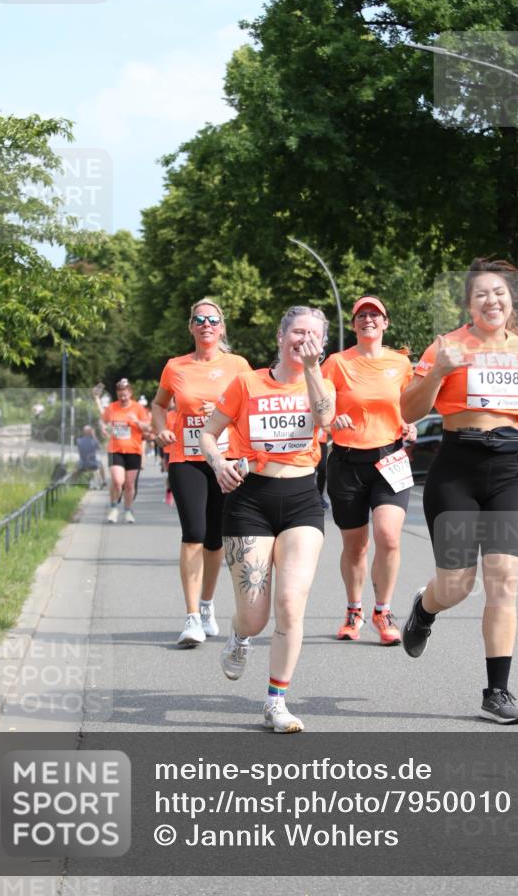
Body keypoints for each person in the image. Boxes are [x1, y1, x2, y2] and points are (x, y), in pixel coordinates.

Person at [400, 258, 518, 725]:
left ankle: (496, 693)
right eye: (481, 294)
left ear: (511, 299)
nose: (491, 300)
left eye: (499, 292)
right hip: (457, 470)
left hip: (507, 472)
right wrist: (437, 371)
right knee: (457, 585)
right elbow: (409, 409)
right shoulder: (447, 346)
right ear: (469, 304)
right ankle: (424, 607)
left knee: (503, 582)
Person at [200, 305, 335, 733]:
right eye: (297, 332)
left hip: (301, 499)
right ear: (280, 337)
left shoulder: (321, 382)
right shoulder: (246, 382)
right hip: (249, 499)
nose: (304, 340)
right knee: (255, 617)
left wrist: (313, 370)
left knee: (291, 605)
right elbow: (207, 433)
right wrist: (219, 462)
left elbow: (326, 418)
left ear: (323, 345)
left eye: (314, 334)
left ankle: (276, 701)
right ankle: (240, 638)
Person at [152, 299, 250, 647]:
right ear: (191, 327)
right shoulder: (175, 367)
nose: (206, 324)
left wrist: (223, 413)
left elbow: (250, 408)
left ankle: (207, 606)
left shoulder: (238, 365)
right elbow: (159, 404)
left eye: (213, 319)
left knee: (215, 538)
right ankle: (192, 616)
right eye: (199, 319)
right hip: (187, 458)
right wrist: (162, 428)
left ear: (221, 327)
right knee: (193, 532)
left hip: (225, 459)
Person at [322, 296, 417, 645]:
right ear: (353, 325)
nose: (368, 320)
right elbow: (318, 403)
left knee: (389, 537)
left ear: (386, 323)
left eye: (374, 315)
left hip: (390, 458)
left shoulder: (401, 364)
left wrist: (410, 425)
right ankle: (353, 609)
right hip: (347, 462)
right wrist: (332, 418)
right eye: (361, 315)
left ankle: (383, 610)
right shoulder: (336, 363)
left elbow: (410, 405)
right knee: (356, 545)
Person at [97, 379, 150, 524]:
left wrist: (136, 422)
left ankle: (128, 510)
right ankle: (114, 507)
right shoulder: (112, 408)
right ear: (117, 394)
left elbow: (148, 428)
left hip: (134, 451)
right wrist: (102, 426)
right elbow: (102, 420)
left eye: (125, 395)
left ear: (130, 393)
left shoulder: (138, 408)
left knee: (129, 484)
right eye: (120, 395)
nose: (123, 398)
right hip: (115, 450)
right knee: (117, 480)